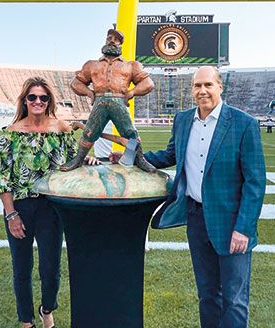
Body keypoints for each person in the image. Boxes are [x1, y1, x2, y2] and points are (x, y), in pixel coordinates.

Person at [111, 66, 266, 328]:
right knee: (207, 295)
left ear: (220, 87)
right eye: (197, 86)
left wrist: (244, 228)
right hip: (196, 218)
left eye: (208, 85)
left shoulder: (243, 124)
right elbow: (171, 155)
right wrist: (133, 159)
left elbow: (255, 182)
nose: (202, 91)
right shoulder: (183, 120)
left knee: (234, 298)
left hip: (232, 224)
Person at [0, 76, 98, 328]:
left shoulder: (61, 129)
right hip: (20, 208)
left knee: (51, 267)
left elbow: (73, 160)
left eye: (43, 97)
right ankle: (26, 321)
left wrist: (87, 160)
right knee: (22, 268)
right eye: (32, 97)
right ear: (25, 100)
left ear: (49, 101)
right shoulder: (11, 133)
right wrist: (11, 215)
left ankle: (47, 308)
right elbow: (0, 177)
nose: (38, 101)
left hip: (52, 208)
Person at [60, 28, 156, 173]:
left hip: (119, 101)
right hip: (100, 101)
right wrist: (89, 93)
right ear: (105, 40)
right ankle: (78, 160)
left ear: (120, 44)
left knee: (130, 133)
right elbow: (76, 83)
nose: (112, 40)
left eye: (116, 39)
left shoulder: (131, 65)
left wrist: (131, 92)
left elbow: (148, 83)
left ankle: (140, 159)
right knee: (89, 132)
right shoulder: (91, 65)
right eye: (109, 37)